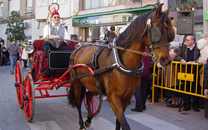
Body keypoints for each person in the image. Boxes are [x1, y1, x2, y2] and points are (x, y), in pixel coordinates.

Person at [175, 35, 201, 112]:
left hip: (195, 71)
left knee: (196, 89)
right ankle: (187, 105)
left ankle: (195, 105)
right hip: (186, 71)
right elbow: (177, 56)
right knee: (186, 88)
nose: (186, 41)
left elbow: (201, 58)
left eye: (188, 40)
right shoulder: (182, 48)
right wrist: (181, 60)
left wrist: (195, 62)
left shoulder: (198, 48)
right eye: (186, 40)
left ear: (193, 41)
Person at [131, 47, 151, 112]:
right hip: (146, 71)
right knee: (143, 89)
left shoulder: (139, 50)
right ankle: (143, 105)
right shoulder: (148, 51)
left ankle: (139, 106)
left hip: (139, 71)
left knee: (138, 90)